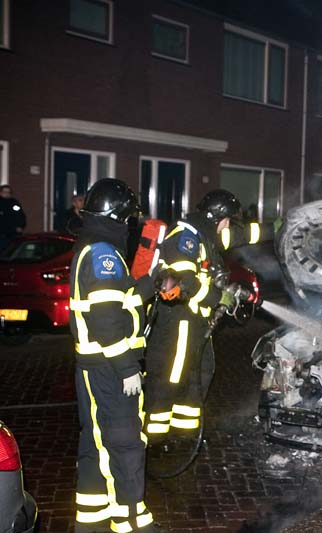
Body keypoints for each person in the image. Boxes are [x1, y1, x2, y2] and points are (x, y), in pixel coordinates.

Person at [69, 178, 161, 533]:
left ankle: (90, 524)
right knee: (124, 445)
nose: (130, 225)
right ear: (119, 216)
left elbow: (120, 303)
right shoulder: (104, 253)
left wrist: (152, 284)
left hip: (95, 369)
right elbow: (107, 322)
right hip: (109, 369)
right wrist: (127, 369)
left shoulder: (93, 248)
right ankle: (133, 525)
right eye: (128, 218)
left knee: (97, 448)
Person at [144, 190, 265, 438]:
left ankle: (185, 436)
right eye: (227, 220)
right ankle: (154, 439)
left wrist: (276, 228)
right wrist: (218, 297)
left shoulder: (205, 237)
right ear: (216, 217)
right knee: (171, 377)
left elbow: (242, 235)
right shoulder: (185, 240)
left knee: (199, 375)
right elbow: (185, 282)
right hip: (177, 323)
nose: (228, 226)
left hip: (196, 322)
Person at [0, 184, 26, 252]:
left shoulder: (14, 203)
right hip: (2, 234)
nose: (7, 194)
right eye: (5, 192)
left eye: (8, 192)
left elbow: (20, 215)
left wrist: (21, 226)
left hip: (14, 234)